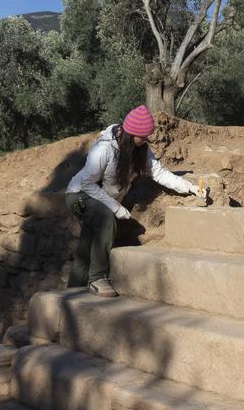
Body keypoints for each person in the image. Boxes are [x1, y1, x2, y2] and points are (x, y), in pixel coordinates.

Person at [65, 105, 202, 297]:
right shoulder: (104, 149)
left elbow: (159, 173)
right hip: (78, 196)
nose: (146, 140)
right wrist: (116, 207)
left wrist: (189, 187)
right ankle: (97, 278)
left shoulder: (140, 149)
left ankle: (72, 290)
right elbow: (87, 184)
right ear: (131, 134)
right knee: (105, 218)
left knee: (88, 241)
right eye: (143, 136)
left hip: (100, 200)